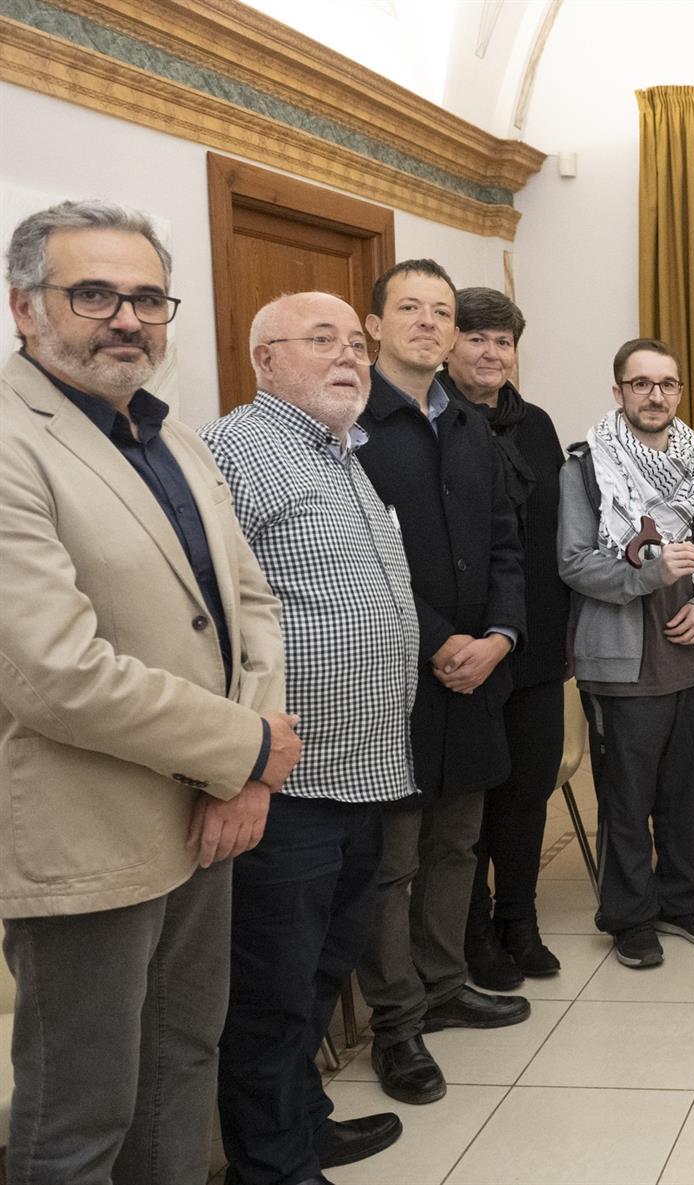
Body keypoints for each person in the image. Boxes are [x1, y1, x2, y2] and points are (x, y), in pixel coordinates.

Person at [0, 200, 297, 1184]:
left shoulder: (171, 438)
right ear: (26, 307)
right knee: (80, 1116)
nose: (127, 319)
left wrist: (242, 775)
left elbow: (250, 605)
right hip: (87, 836)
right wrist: (246, 750)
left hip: (208, 816)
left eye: (147, 298)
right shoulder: (12, 439)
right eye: (94, 294)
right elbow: (55, 671)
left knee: (180, 1070)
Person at [203, 292, 418, 1181]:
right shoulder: (234, 450)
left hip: (361, 771)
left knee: (323, 971)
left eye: (356, 344)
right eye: (322, 340)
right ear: (265, 358)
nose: (349, 357)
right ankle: (271, 1164)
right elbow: (209, 619)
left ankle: (303, 1119)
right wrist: (235, 760)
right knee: (273, 991)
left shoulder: (345, 453)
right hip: (285, 782)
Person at [355, 259, 530, 1107]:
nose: (429, 323)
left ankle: (445, 981)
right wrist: (439, 641)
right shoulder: (350, 424)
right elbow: (359, 559)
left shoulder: (469, 424)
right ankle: (397, 1023)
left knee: (456, 844)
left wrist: (498, 637)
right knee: (392, 860)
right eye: (411, 308)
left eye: (442, 311)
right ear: (374, 324)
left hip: (476, 676)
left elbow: (506, 545)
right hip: (393, 680)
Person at [559, 337, 694, 969]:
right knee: (627, 802)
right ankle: (630, 916)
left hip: (693, 659)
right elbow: (574, 562)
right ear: (619, 392)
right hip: (622, 666)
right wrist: (649, 578)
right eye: (641, 384)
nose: (655, 395)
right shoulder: (584, 468)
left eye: (666, 384)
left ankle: (684, 902)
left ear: (679, 392)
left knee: (689, 797)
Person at [442, 287, 569, 992]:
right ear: (448, 344)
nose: (491, 353)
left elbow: (552, 533)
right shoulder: (432, 421)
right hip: (464, 648)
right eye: (477, 338)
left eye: (504, 341)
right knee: (472, 802)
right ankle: (472, 932)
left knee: (527, 792)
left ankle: (520, 919)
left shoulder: (537, 425)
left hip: (536, 640)